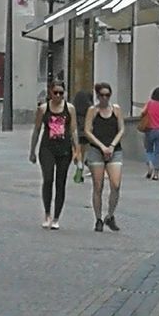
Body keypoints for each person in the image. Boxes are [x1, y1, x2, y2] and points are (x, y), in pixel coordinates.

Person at [29, 80, 79, 229]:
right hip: (47, 148)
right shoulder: (43, 109)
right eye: (55, 92)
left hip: (64, 149)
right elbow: (37, 130)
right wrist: (32, 150)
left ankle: (56, 217)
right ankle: (47, 214)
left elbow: (73, 130)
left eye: (61, 93)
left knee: (60, 182)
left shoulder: (69, 109)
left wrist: (77, 151)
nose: (58, 96)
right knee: (48, 178)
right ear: (50, 92)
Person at [84, 81, 124, 231]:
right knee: (98, 186)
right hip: (96, 150)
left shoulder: (116, 109)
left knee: (116, 184)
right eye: (102, 95)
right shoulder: (92, 111)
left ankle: (110, 215)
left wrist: (112, 146)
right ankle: (98, 219)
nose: (105, 98)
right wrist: (101, 146)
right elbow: (88, 131)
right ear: (97, 96)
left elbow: (121, 129)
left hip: (115, 150)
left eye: (107, 95)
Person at [139, 86, 159, 180]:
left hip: (150, 129)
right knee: (158, 152)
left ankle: (150, 165)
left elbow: (142, 112)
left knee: (149, 150)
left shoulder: (150, 103)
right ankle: (156, 174)